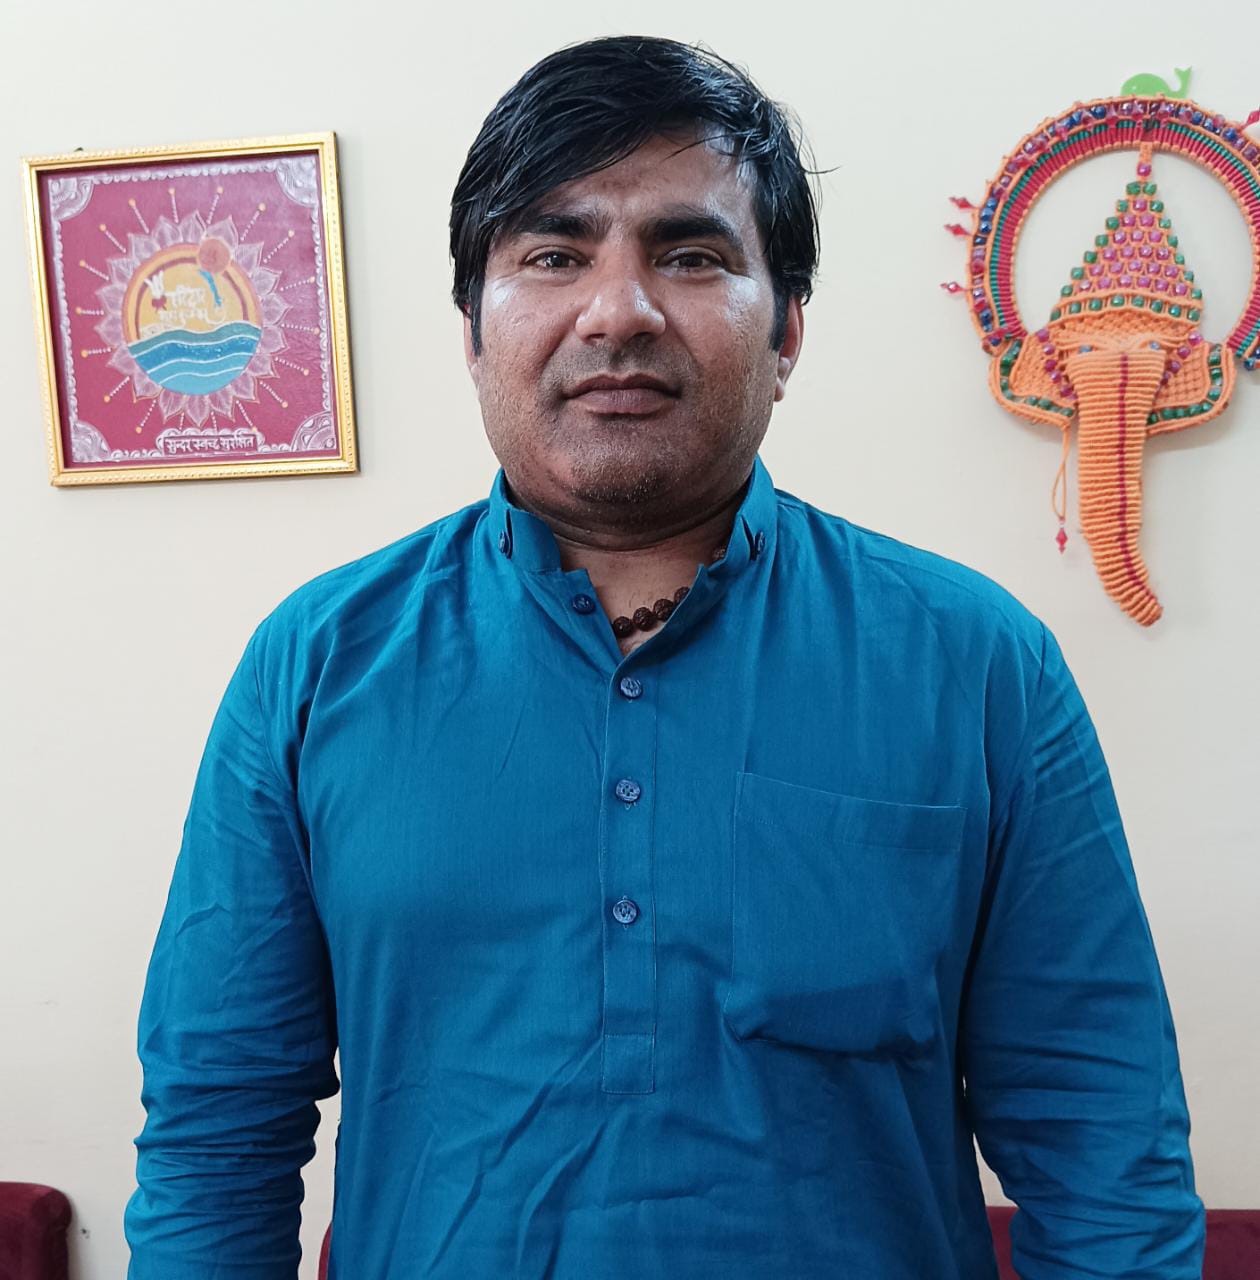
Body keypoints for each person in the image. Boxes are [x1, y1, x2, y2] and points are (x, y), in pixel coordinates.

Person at [124, 34, 1205, 1279]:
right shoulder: (317, 664)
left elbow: (1102, 1137)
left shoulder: (976, 664)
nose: (618, 311)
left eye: (691, 255)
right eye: (553, 255)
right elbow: (216, 1127)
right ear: (473, 329)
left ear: (788, 330)